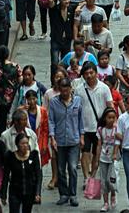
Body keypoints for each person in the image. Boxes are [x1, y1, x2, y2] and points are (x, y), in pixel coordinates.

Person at [72, 62, 113, 183]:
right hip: (84, 127)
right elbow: (76, 109)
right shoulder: (79, 90)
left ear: (96, 73)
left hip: (99, 127)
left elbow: (110, 106)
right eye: (86, 73)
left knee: (97, 153)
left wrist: (112, 123)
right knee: (85, 152)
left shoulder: (104, 88)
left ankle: (93, 175)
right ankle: (86, 177)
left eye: (91, 73)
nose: (89, 75)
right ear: (83, 76)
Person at [48, 78, 85, 206]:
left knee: (73, 168)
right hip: (60, 141)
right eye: (62, 90)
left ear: (70, 89)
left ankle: (73, 194)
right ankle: (64, 194)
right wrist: (52, 138)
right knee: (61, 169)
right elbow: (51, 121)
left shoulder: (78, 101)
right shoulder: (53, 102)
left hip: (74, 140)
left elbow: (81, 119)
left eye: (66, 90)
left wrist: (82, 136)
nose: (64, 93)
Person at [1, 132, 42, 213]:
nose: (25, 146)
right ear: (17, 144)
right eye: (22, 143)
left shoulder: (34, 155)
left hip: (29, 191)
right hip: (15, 191)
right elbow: (5, 176)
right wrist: (3, 194)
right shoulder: (10, 156)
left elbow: (38, 175)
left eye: (27, 143)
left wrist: (37, 192)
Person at [0, 45, 22, 136]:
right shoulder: (16, 67)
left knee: (1, 125)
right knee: (13, 124)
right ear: (8, 54)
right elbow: (21, 81)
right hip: (12, 99)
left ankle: (2, 144)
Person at [95, 107, 118, 213]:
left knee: (111, 181)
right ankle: (105, 202)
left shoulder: (117, 130)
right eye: (109, 117)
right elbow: (99, 145)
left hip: (113, 159)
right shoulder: (101, 130)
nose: (111, 120)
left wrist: (115, 154)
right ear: (105, 118)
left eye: (113, 117)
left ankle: (113, 194)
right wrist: (96, 159)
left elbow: (118, 143)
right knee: (103, 182)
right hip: (103, 158)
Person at [48, 0, 76, 66]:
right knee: (55, 62)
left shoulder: (71, 8)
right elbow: (50, 0)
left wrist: (78, 8)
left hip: (67, 40)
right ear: (60, 0)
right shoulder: (55, 9)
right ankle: (54, 77)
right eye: (64, 0)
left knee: (65, 63)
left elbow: (82, 3)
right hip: (56, 39)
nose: (67, 1)